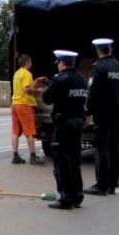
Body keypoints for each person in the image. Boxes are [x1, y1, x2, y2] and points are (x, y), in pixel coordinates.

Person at [41, 50, 88, 210]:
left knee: (61, 161)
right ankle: (77, 195)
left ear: (61, 63)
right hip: (78, 123)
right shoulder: (82, 78)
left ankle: (66, 198)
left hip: (63, 124)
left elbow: (47, 98)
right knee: (75, 160)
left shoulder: (61, 78)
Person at [84, 38, 119, 196]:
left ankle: (101, 185)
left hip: (103, 115)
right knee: (115, 148)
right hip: (117, 114)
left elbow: (93, 92)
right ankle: (113, 183)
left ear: (98, 51)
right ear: (110, 50)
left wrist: (87, 112)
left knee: (102, 148)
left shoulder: (98, 68)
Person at [11, 54, 46, 165]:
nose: (31, 64)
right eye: (30, 62)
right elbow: (26, 90)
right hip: (24, 105)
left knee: (15, 131)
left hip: (15, 104)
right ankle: (33, 156)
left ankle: (15, 156)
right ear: (27, 62)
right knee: (29, 132)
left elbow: (24, 87)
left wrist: (36, 80)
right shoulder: (27, 74)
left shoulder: (17, 73)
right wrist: (39, 91)